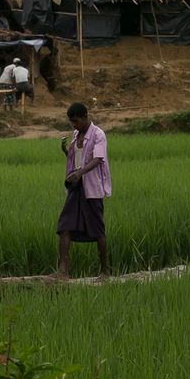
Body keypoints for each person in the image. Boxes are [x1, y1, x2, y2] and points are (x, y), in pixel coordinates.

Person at [55, 103, 110, 279]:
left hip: (92, 187)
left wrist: (79, 173)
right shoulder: (76, 135)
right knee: (64, 226)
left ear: (85, 116)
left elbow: (97, 159)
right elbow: (77, 158)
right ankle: (63, 271)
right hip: (76, 187)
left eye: (76, 121)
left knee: (98, 231)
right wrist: (66, 152)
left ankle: (105, 271)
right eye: (72, 122)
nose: (74, 125)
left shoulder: (98, 135)